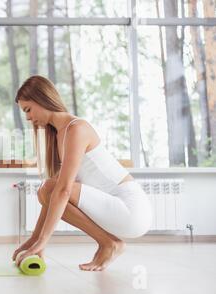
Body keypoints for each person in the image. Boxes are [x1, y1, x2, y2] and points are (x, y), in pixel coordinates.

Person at [13, 75, 152, 271]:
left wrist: (42, 242)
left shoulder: (76, 128)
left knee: (52, 187)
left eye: (28, 109)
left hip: (131, 210)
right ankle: (109, 243)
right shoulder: (60, 134)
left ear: (42, 99)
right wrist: (34, 241)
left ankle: (109, 244)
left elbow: (62, 191)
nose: (28, 117)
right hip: (115, 210)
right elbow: (51, 196)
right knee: (46, 190)